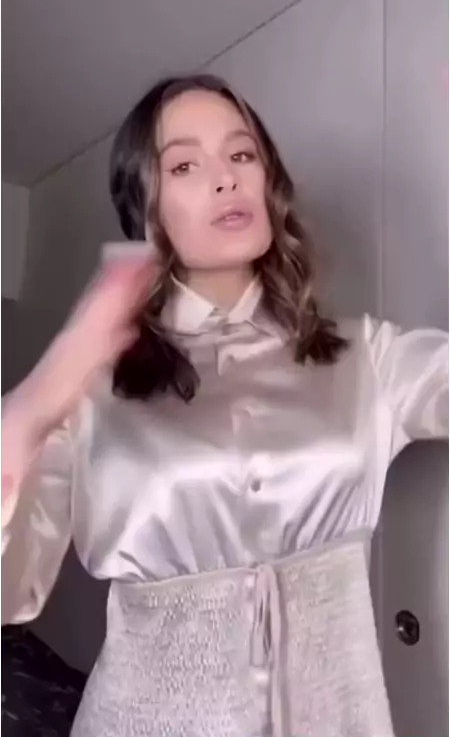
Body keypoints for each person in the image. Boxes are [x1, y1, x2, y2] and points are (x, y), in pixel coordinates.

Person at [2, 74, 448, 737]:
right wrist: (32, 409)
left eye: (242, 155)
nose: (225, 179)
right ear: (146, 207)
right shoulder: (88, 389)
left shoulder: (369, 359)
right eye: (185, 165)